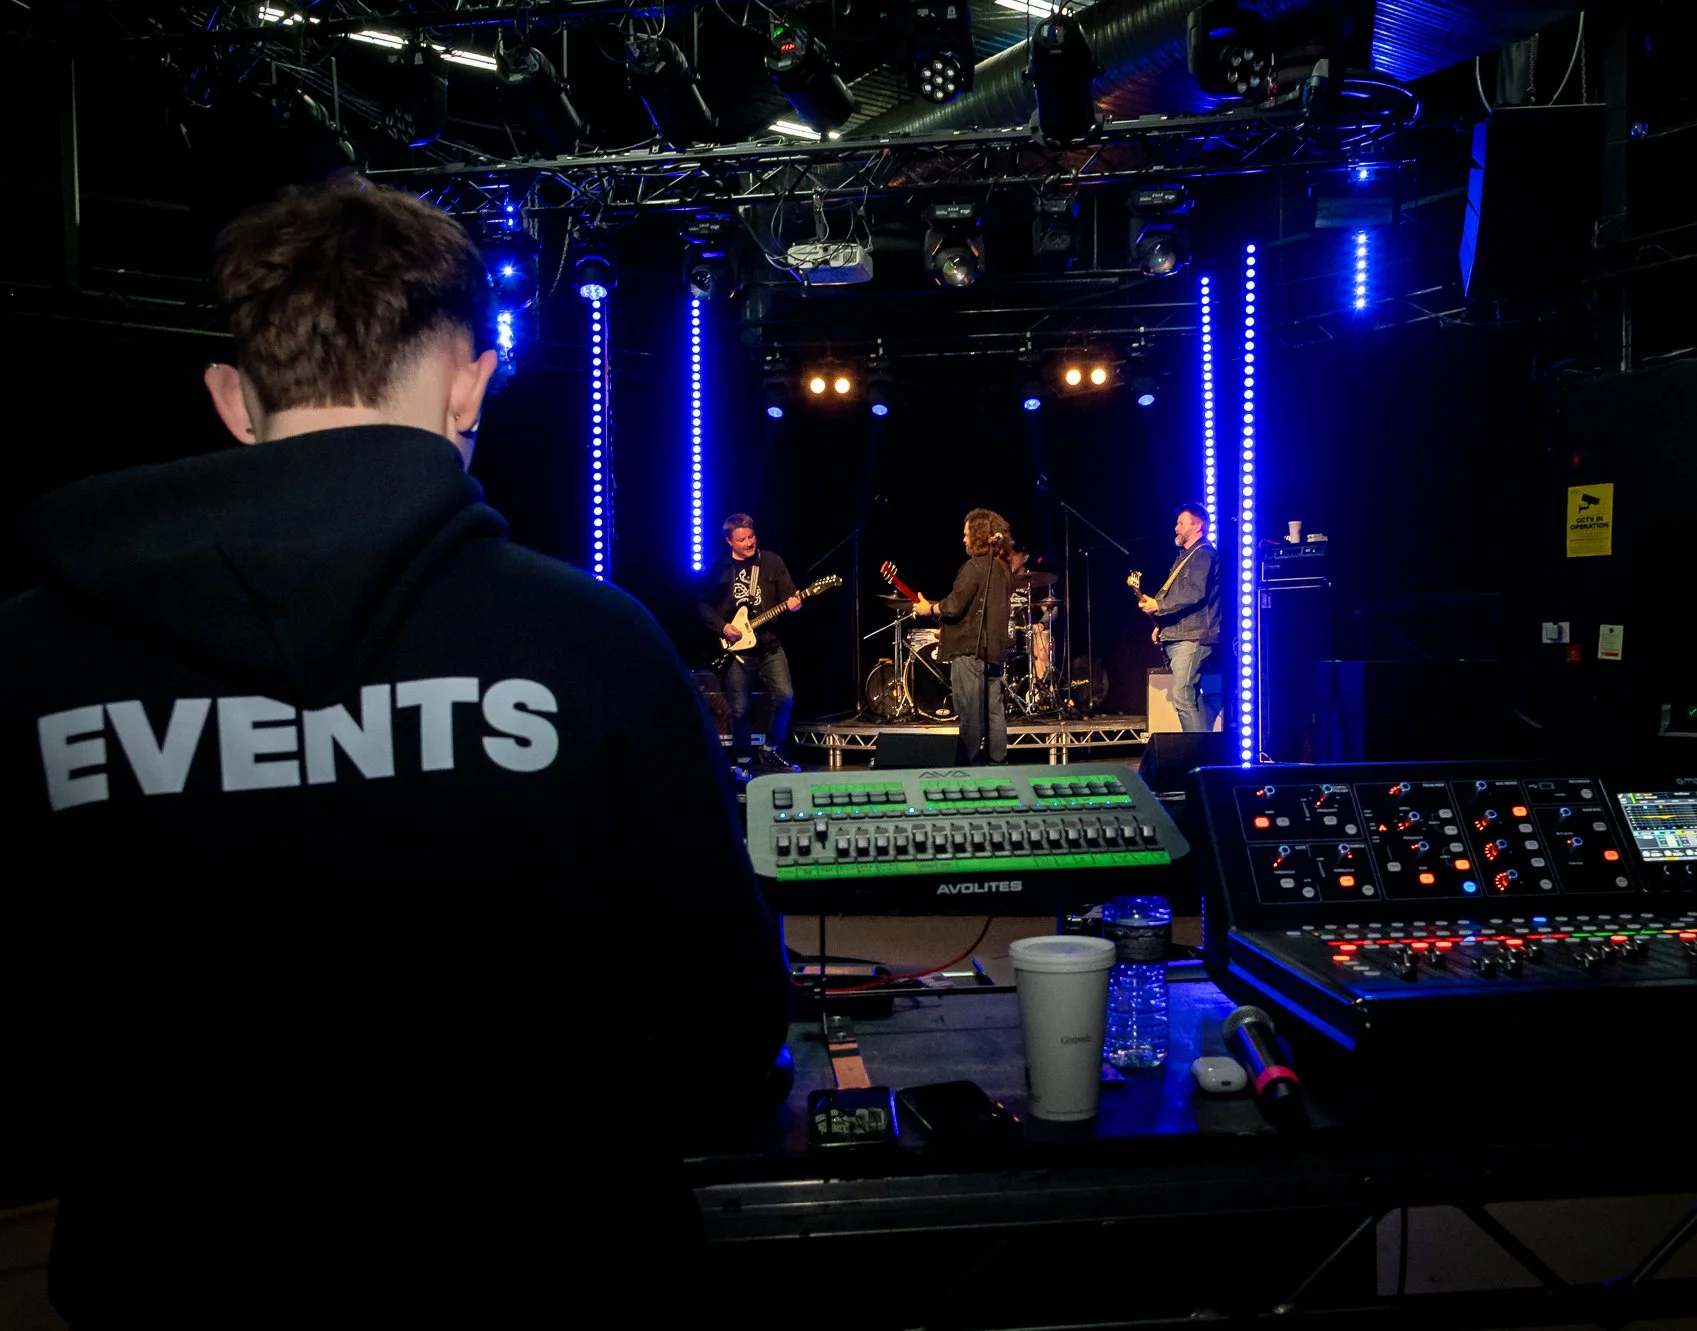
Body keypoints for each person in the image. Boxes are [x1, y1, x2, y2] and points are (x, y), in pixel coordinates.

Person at [0, 179, 789, 1325]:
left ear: (232, 397)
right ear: (473, 381)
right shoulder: (593, 645)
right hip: (552, 1275)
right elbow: (724, 1039)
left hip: (173, 1286)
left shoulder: (28, 663)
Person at [698, 512, 804, 780]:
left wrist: (795, 603)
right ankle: (743, 759)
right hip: (736, 651)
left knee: (786, 698)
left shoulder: (771, 562)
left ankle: (770, 748)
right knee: (740, 709)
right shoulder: (717, 568)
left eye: (752, 536)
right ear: (729, 541)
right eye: (742, 539)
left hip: (769, 646)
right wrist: (723, 627)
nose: (749, 543)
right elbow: (700, 604)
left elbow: (790, 596)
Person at [914, 509, 1014, 765]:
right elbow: (977, 611)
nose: (964, 539)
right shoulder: (1003, 570)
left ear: (979, 535)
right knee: (993, 712)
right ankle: (997, 766)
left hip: (971, 653)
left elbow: (955, 605)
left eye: (967, 534)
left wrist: (930, 609)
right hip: (992, 652)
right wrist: (948, 629)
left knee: (969, 714)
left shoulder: (974, 567)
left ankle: (969, 768)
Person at [1136, 502, 1222, 733]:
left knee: (1182, 697)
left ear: (1197, 526)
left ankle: (1197, 757)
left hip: (1192, 638)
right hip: (1181, 634)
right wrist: (1162, 625)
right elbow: (1180, 597)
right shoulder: (1186, 557)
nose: (1176, 528)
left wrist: (1159, 605)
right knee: (1190, 698)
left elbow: (1194, 593)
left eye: (1181, 523)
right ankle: (1203, 751)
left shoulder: (1203, 554)